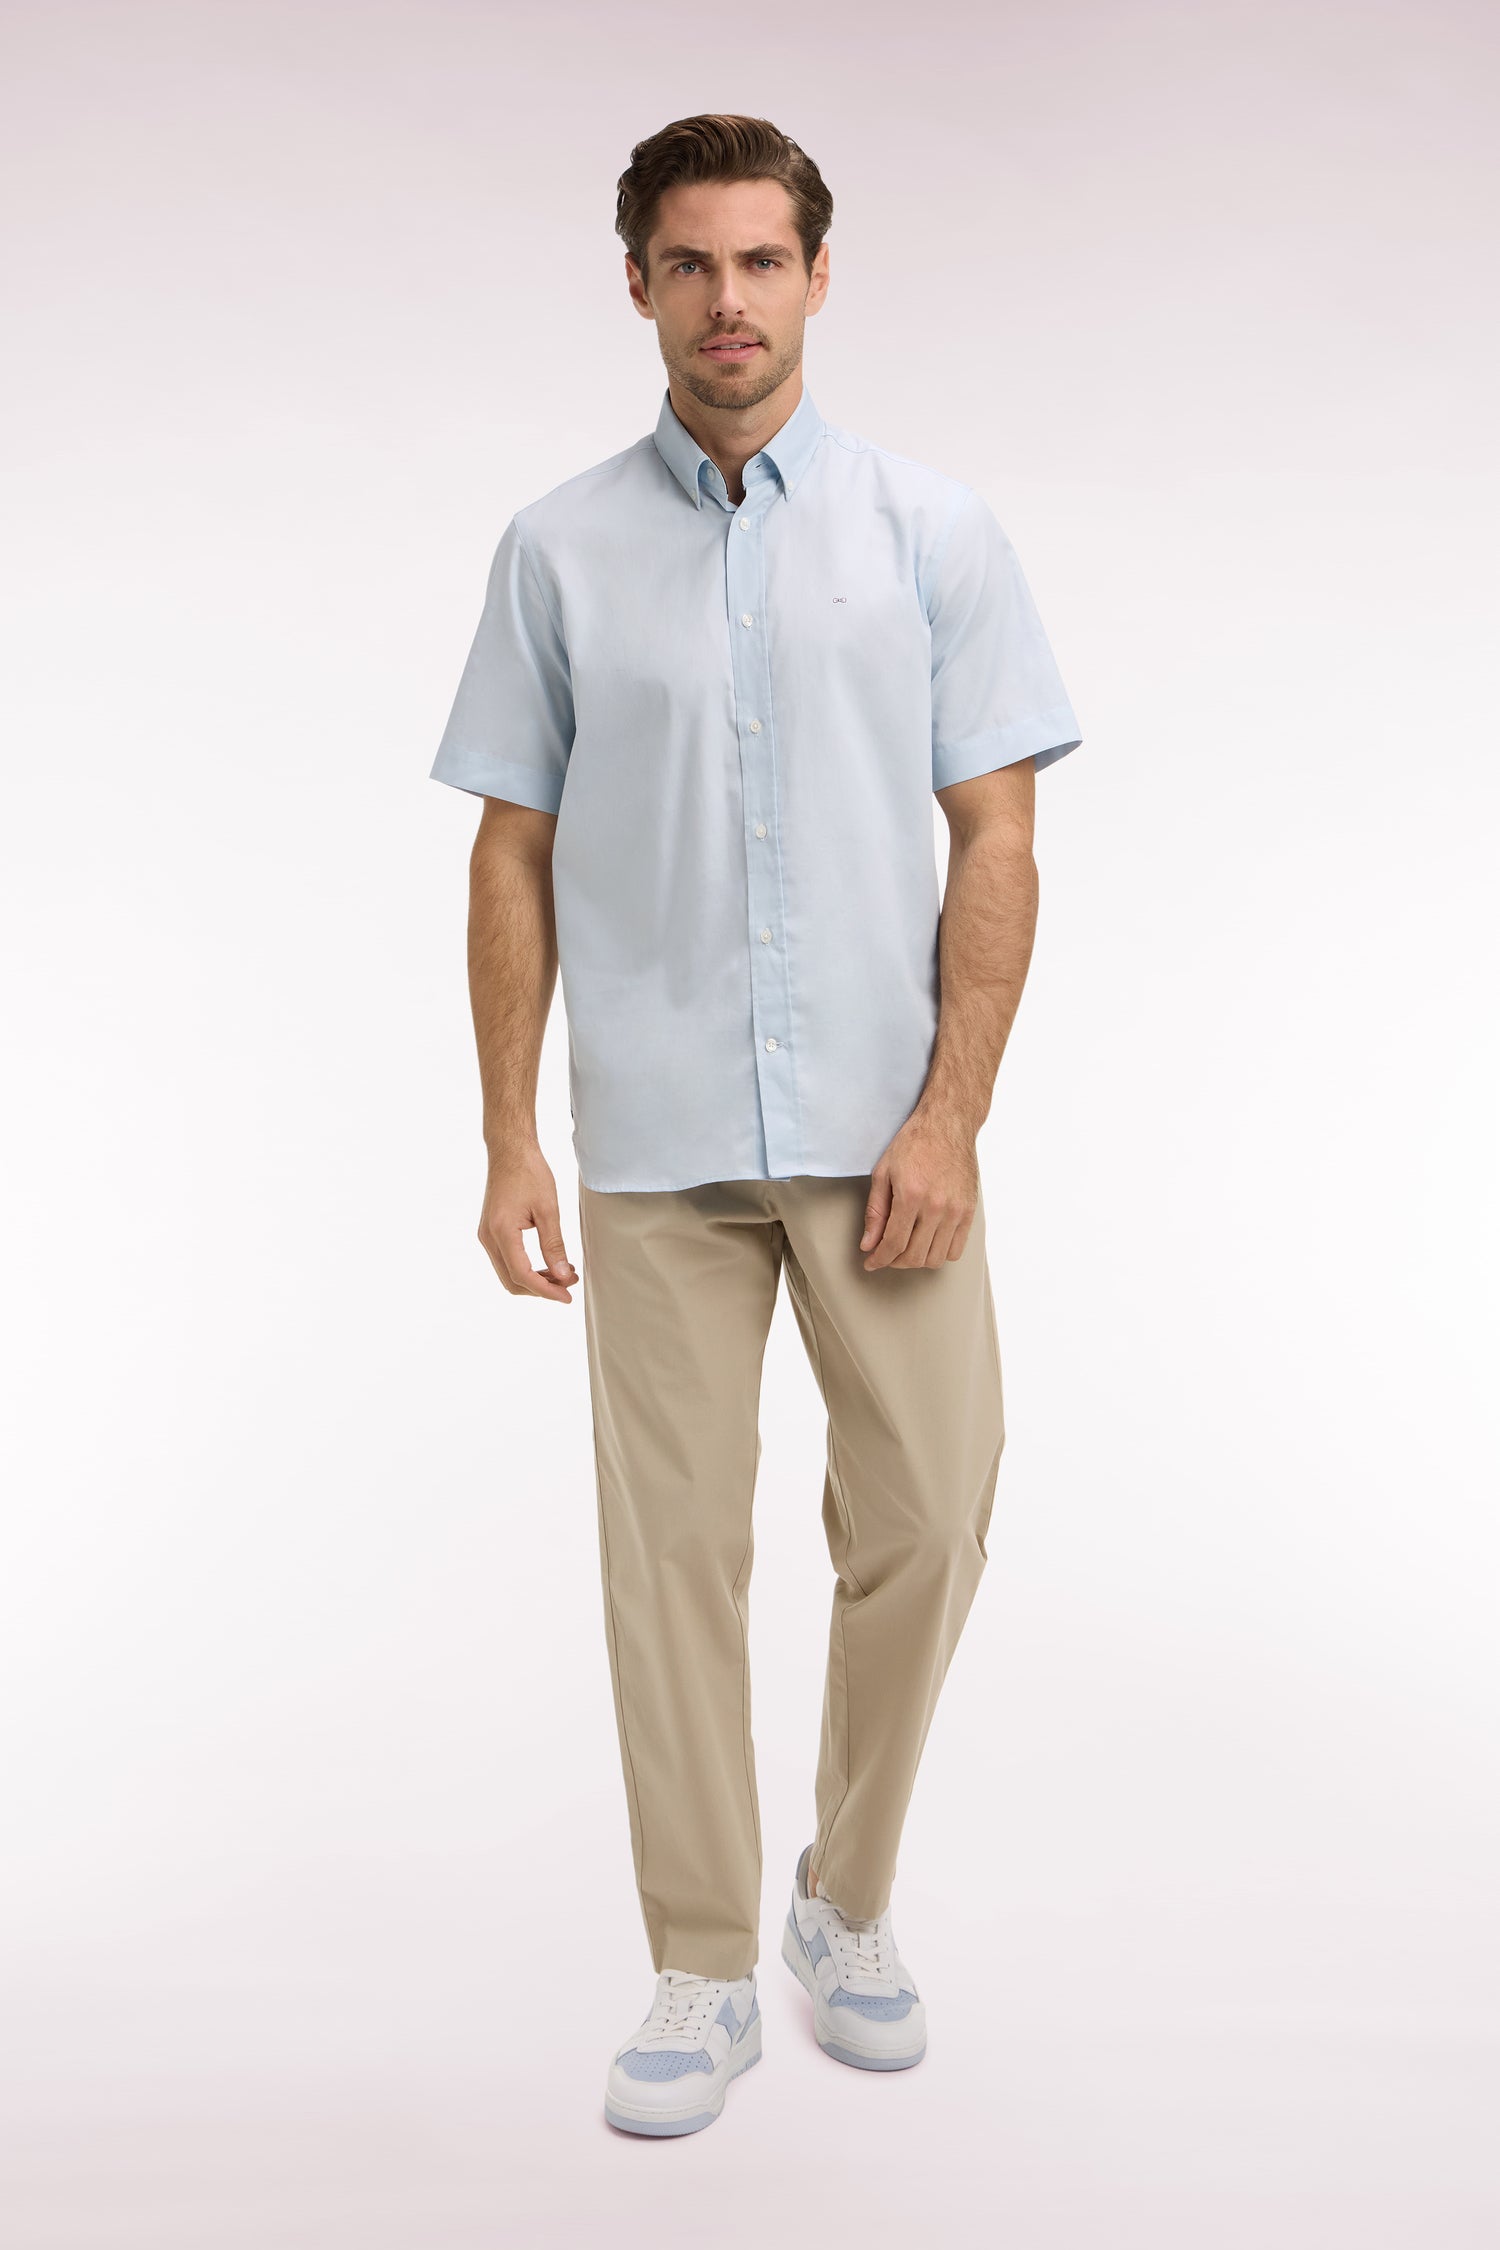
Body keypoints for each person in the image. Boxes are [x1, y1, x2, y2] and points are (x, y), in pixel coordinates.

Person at [429, 112, 1083, 2138]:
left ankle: (842, 1897)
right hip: (656, 1138)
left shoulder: (933, 532)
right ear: (637, 283)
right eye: (693, 264)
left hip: (889, 1137)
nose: (731, 301)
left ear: (817, 277)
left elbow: (998, 838)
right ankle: (705, 1959)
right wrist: (509, 1136)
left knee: (934, 1512)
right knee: (671, 1558)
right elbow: (511, 851)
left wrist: (953, 1113)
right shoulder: (556, 549)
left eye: (764, 262)